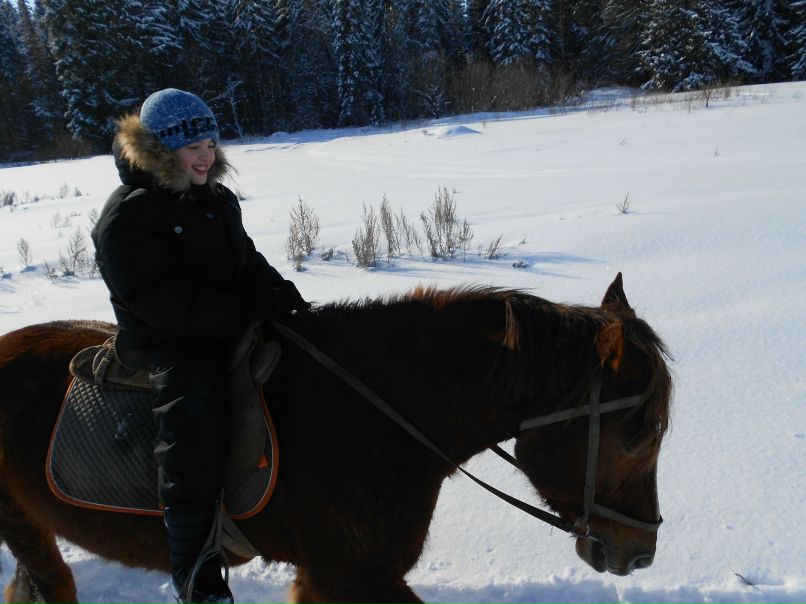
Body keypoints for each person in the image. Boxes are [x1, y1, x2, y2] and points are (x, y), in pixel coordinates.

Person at [91, 88, 309, 604]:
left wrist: (279, 293)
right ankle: (195, 569)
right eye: (193, 148)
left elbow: (244, 257)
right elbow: (153, 299)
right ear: (161, 151)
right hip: (171, 341)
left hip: (229, 323)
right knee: (193, 421)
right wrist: (237, 312)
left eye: (211, 144)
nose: (207, 156)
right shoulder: (128, 216)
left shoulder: (214, 196)